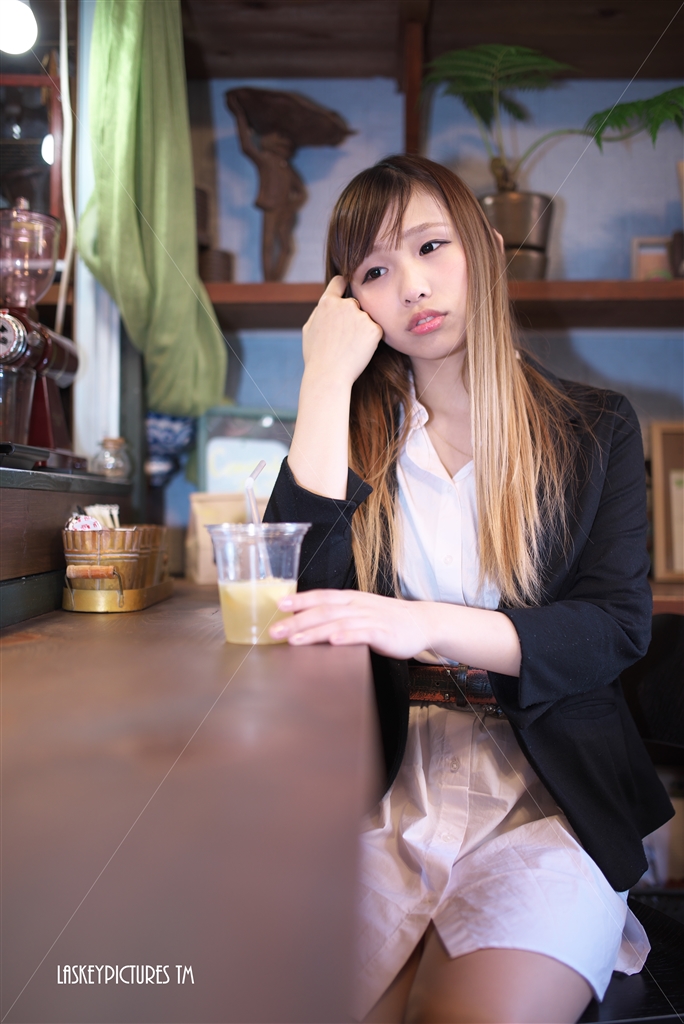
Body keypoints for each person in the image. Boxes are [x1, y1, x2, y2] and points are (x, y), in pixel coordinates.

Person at [264, 155, 673, 1024]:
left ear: (486, 247)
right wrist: (323, 379)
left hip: (546, 802)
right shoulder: (353, 436)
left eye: (430, 247)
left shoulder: (594, 427)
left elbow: (612, 629)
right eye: (375, 271)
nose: (411, 286)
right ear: (349, 303)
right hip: (385, 794)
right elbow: (295, 592)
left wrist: (420, 623)